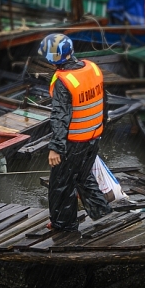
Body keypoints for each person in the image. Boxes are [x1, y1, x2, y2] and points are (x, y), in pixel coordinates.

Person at [39, 33, 112, 232]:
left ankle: (64, 225)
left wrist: (56, 147)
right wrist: (101, 128)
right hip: (93, 136)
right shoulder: (93, 69)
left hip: (74, 142)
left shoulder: (64, 81)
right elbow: (104, 101)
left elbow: (60, 117)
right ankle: (101, 211)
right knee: (82, 175)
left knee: (61, 184)